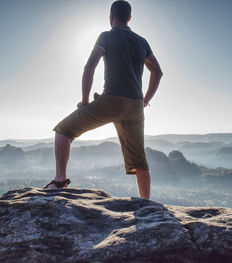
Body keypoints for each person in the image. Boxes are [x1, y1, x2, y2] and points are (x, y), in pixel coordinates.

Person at [43, 0, 163, 199]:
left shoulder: (106, 36)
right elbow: (157, 72)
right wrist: (145, 99)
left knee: (63, 130)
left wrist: (85, 101)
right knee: (140, 162)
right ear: (130, 18)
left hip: (112, 101)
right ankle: (146, 205)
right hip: (135, 106)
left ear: (111, 18)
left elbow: (90, 67)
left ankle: (59, 181)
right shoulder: (142, 41)